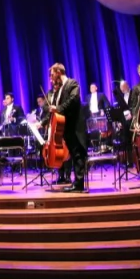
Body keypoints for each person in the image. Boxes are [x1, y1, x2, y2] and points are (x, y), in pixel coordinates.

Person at [48, 64, 88, 193]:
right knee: (74, 154)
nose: (51, 78)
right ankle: (76, 183)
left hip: (75, 126)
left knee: (78, 154)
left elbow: (73, 100)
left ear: (59, 72)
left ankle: (79, 184)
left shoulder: (72, 83)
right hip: (67, 128)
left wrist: (58, 108)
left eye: (52, 74)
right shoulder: (59, 89)